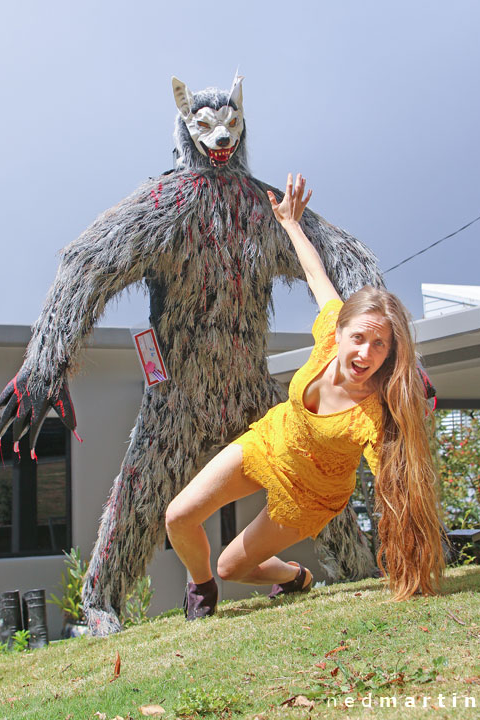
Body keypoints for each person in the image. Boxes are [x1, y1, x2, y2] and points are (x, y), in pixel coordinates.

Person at [165, 173, 444, 620]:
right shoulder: (330, 332)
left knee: (232, 566)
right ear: (340, 330)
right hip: (270, 442)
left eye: (380, 346)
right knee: (178, 516)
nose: (365, 353)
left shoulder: (374, 414)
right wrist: (291, 222)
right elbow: (317, 274)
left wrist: (414, 565)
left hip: (310, 494)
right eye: (359, 339)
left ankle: (295, 577)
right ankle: (201, 588)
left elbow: (396, 492)